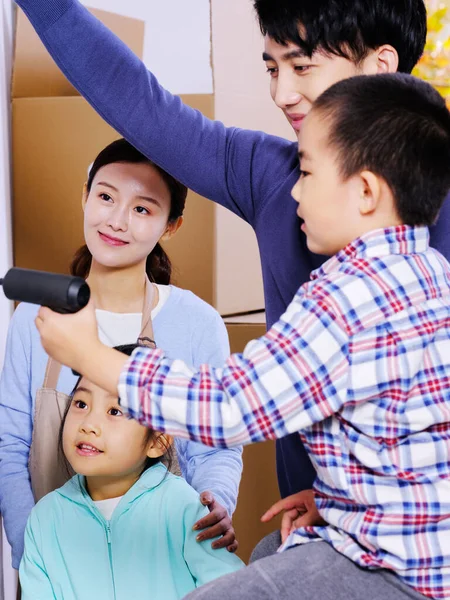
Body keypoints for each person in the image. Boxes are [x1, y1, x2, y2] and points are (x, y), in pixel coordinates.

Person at [14, 0, 450, 506]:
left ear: (380, 67)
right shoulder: (275, 176)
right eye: (272, 67)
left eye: (302, 65)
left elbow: (228, 405)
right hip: (322, 514)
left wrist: (91, 356)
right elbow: (143, 105)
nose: (282, 93)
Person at [37, 73, 450, 600]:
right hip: (426, 546)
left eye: (305, 172)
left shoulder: (344, 295)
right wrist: (341, 500)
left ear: (365, 192)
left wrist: (94, 357)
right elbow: (417, 434)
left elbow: (230, 405)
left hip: (391, 568)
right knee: (266, 554)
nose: (294, 190)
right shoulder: (432, 272)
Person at [0, 139, 242, 571]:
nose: (116, 221)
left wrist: (215, 502)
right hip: (55, 565)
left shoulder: (198, 323)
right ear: (85, 196)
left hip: (160, 561)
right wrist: (30, 546)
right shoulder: (34, 318)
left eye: (142, 209)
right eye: (106, 196)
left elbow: (214, 449)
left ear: (171, 226)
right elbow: (10, 444)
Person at [18, 343, 244, 600]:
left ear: (157, 442)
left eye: (114, 411)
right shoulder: (45, 519)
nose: (89, 424)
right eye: (81, 404)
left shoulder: (184, 509)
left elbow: (233, 590)